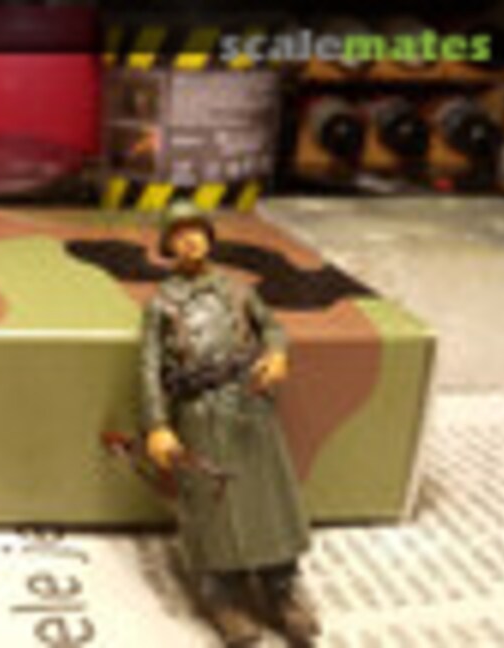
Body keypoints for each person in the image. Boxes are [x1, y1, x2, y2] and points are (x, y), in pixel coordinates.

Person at [139, 206, 318, 647]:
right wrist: (157, 424)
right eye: (179, 234)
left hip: (248, 408)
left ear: (209, 237)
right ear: (168, 246)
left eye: (196, 231)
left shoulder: (237, 291)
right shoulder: (161, 305)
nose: (190, 240)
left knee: (266, 500)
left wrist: (276, 353)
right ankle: (224, 596)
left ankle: (281, 586)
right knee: (213, 508)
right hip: (199, 414)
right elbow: (148, 368)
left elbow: (272, 328)